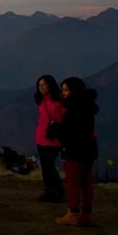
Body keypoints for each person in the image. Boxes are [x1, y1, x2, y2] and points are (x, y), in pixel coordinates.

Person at [52, 77, 99, 227]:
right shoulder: (88, 107)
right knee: (86, 183)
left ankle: (72, 213)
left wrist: (55, 129)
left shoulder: (73, 110)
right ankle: (86, 214)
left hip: (74, 150)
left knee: (73, 182)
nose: (63, 93)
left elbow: (70, 132)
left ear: (74, 91)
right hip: (89, 149)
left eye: (66, 90)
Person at [34, 75, 66, 203]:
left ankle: (56, 191)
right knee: (46, 165)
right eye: (39, 85)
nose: (41, 87)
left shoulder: (60, 101)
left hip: (54, 138)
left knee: (49, 165)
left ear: (50, 85)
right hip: (41, 136)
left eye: (44, 85)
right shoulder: (40, 100)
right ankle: (51, 191)